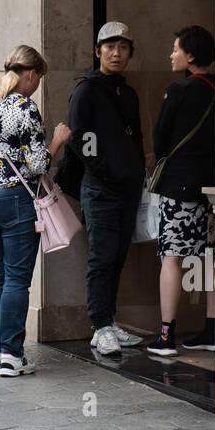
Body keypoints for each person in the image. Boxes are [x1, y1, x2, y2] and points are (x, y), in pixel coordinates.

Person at [0, 46, 72, 376]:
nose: (37, 84)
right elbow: (39, 163)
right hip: (13, 199)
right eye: (39, 78)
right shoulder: (25, 107)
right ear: (31, 74)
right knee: (16, 278)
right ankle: (12, 355)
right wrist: (58, 140)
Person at [67, 21, 147, 356]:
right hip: (100, 189)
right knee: (101, 258)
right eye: (110, 47)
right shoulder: (87, 90)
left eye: (123, 48)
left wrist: (138, 172)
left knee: (117, 258)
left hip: (129, 190)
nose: (116, 53)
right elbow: (77, 137)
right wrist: (104, 171)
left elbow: (137, 137)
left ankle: (109, 320)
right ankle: (99, 327)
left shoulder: (127, 92)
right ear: (97, 51)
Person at [146, 25, 215, 356]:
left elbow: (160, 141)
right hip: (214, 186)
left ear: (190, 56)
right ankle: (214, 328)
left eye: (176, 49)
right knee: (212, 258)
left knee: (172, 257)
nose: (171, 54)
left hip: (180, 186)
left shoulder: (178, 90)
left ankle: (166, 335)